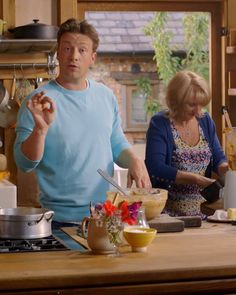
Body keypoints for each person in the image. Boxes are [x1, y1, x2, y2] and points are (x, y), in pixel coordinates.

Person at [14, 18, 151, 228]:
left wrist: (134, 160)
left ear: (92, 57)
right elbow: (24, 163)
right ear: (58, 53)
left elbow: (116, 143)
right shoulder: (38, 101)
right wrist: (40, 130)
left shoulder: (106, 96)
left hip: (102, 217)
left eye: (82, 50)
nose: (74, 56)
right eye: (67, 48)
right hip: (56, 220)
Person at [145, 70, 228, 218]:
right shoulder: (160, 123)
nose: (197, 111)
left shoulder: (205, 120)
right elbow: (155, 167)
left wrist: (227, 170)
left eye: (201, 104)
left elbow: (218, 158)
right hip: (168, 216)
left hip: (203, 215)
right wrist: (196, 179)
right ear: (175, 101)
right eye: (191, 105)